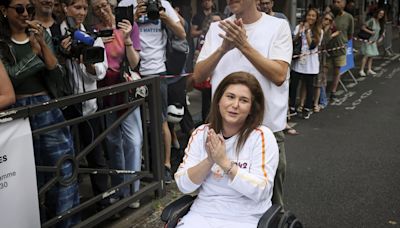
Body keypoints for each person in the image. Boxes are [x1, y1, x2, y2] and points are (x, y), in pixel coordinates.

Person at [192, 0, 292, 208]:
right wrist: (223, 49)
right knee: (221, 203)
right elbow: (198, 76)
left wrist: (243, 45)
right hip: (224, 135)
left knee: (270, 205)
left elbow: (279, 74)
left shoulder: (278, 26)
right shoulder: (217, 29)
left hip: (266, 133)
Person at [0, 0, 79, 226]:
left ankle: (66, 221)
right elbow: (11, 79)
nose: (26, 14)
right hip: (18, 115)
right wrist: (35, 55)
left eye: (29, 9)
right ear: (4, 10)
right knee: (29, 177)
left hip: (47, 107)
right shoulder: (2, 43)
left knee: (63, 170)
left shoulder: (39, 34)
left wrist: (43, 46)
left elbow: (57, 75)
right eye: (19, 9)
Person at [175, 72, 279, 228]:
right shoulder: (201, 134)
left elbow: (261, 190)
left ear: (251, 108)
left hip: (247, 217)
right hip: (203, 214)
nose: (235, 105)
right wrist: (210, 160)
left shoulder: (262, 136)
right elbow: (184, 185)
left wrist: (224, 163)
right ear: (218, 100)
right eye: (230, 97)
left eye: (243, 100)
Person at [118, 0, 186, 184]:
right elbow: (117, 35)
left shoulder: (162, 3)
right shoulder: (126, 3)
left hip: (157, 71)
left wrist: (164, 16)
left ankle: (165, 166)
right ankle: (142, 164)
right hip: (133, 70)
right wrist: (134, 17)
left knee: (161, 120)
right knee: (136, 123)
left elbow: (181, 33)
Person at [90, 0, 143, 208]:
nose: (102, 10)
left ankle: (134, 190)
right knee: (113, 142)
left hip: (125, 89)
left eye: (104, 5)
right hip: (105, 91)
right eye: (97, 8)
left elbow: (134, 62)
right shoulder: (94, 31)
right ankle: (121, 189)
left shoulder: (128, 25)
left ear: (112, 6)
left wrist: (127, 38)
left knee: (134, 140)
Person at [58, 0, 109, 208]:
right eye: (76, 7)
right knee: (69, 159)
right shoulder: (56, 33)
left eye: (84, 8)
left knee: (96, 155)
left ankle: (103, 203)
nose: (81, 12)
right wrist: (62, 54)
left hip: (89, 105)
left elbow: (101, 71)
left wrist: (88, 64)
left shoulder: (92, 36)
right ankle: (72, 205)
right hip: (66, 106)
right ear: (65, 8)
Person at [289, 8, 323, 119]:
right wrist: (299, 32)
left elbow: (312, 46)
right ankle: (292, 107)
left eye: (313, 16)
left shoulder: (319, 31)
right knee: (293, 85)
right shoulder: (299, 27)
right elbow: (293, 41)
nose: (311, 18)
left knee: (309, 87)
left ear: (317, 18)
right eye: (309, 15)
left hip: (310, 63)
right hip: (298, 61)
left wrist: (308, 31)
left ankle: (307, 108)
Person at [313, 12, 340, 112]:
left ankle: (323, 101)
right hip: (315, 56)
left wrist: (331, 34)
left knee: (321, 78)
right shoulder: (317, 28)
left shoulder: (327, 30)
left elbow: (325, 42)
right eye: (326, 19)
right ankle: (317, 100)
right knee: (316, 78)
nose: (327, 21)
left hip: (322, 57)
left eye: (329, 20)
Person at [328, 0, 354, 100]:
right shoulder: (330, 15)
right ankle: (321, 93)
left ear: (344, 3)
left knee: (337, 71)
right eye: (335, 2)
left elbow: (350, 34)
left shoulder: (349, 17)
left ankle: (333, 91)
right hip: (327, 48)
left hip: (341, 48)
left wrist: (344, 42)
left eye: (339, 2)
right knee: (324, 70)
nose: (337, 4)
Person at [359, 9, 385, 77]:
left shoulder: (379, 22)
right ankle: (361, 70)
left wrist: (380, 38)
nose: (381, 15)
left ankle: (369, 69)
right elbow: (363, 27)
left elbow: (379, 31)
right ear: (377, 13)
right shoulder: (372, 20)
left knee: (371, 56)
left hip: (373, 41)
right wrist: (370, 32)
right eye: (380, 13)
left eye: (382, 14)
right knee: (367, 55)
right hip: (368, 40)